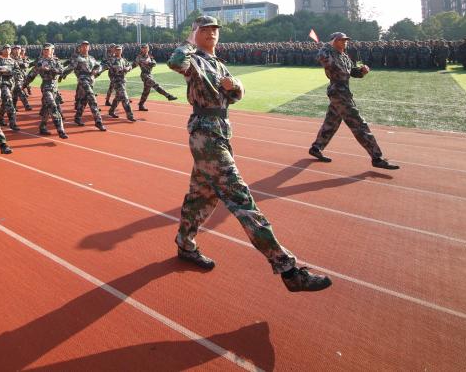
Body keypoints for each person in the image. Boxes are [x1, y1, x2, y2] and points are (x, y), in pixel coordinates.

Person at [168, 16, 331, 292]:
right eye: (204, 30)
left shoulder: (218, 64)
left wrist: (235, 86)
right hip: (206, 135)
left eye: (214, 30)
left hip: (218, 132)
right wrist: (188, 41)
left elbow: (234, 96)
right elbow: (175, 62)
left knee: (201, 196)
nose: (211, 34)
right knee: (241, 199)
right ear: (195, 33)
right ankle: (288, 269)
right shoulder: (193, 59)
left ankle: (185, 244)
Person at [308, 32, 400, 170]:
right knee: (359, 124)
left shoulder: (344, 56)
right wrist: (327, 45)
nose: (345, 42)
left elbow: (353, 72)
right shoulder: (327, 54)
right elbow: (321, 57)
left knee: (331, 122)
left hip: (343, 92)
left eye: (346, 40)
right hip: (338, 93)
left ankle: (316, 148)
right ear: (334, 42)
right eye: (341, 40)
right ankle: (377, 157)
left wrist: (362, 71)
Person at [22, 43, 69, 138]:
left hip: (55, 88)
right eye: (44, 50)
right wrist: (24, 85)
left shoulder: (56, 61)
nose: (45, 51)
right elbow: (32, 74)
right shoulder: (39, 62)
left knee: (47, 109)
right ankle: (60, 130)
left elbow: (61, 71)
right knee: (53, 106)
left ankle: (42, 127)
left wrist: (50, 69)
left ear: (52, 51)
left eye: (47, 50)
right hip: (46, 86)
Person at [62, 40, 106, 131]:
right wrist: (63, 73)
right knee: (92, 98)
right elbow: (70, 67)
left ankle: (77, 117)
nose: (85, 47)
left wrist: (96, 70)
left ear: (89, 48)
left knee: (84, 100)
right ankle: (98, 121)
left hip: (91, 80)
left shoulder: (92, 58)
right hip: (83, 80)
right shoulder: (77, 58)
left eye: (87, 46)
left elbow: (99, 66)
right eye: (83, 46)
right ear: (80, 48)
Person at [135, 43, 178, 110]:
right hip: (144, 74)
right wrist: (126, 69)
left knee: (146, 91)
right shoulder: (139, 57)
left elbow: (154, 63)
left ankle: (141, 105)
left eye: (146, 48)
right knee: (154, 84)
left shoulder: (150, 56)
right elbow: (134, 64)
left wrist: (149, 63)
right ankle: (168, 95)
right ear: (141, 49)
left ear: (148, 49)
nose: (145, 49)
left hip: (149, 74)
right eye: (143, 48)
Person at [103, 44, 136, 121]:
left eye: (119, 50)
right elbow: (104, 66)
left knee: (118, 97)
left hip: (122, 81)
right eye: (117, 50)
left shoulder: (123, 60)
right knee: (124, 97)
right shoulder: (111, 60)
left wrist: (128, 68)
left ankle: (111, 111)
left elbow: (130, 66)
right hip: (116, 81)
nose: (118, 51)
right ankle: (130, 115)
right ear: (114, 51)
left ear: (122, 50)